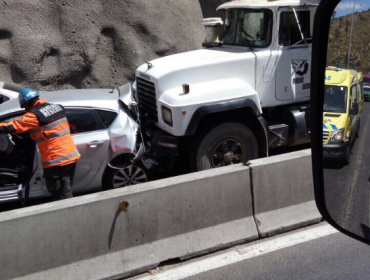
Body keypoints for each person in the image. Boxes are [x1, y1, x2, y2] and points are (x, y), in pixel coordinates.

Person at [0, 88, 80, 200]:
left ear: (27, 103)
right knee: (66, 188)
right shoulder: (57, 107)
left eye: (24, 107)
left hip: (56, 160)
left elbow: (13, 126)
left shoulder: (35, 116)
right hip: (71, 155)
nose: (25, 110)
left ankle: (68, 214)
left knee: (59, 192)